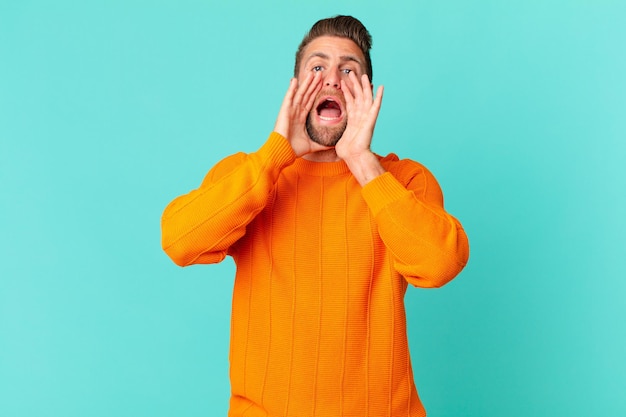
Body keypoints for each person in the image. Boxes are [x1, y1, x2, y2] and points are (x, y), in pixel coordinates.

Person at [161, 15, 469, 417]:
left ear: (366, 93)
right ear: (295, 88)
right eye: (318, 67)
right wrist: (274, 156)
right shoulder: (251, 174)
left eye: (349, 70)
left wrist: (362, 163)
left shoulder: (403, 180)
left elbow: (441, 263)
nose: (332, 79)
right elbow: (179, 240)